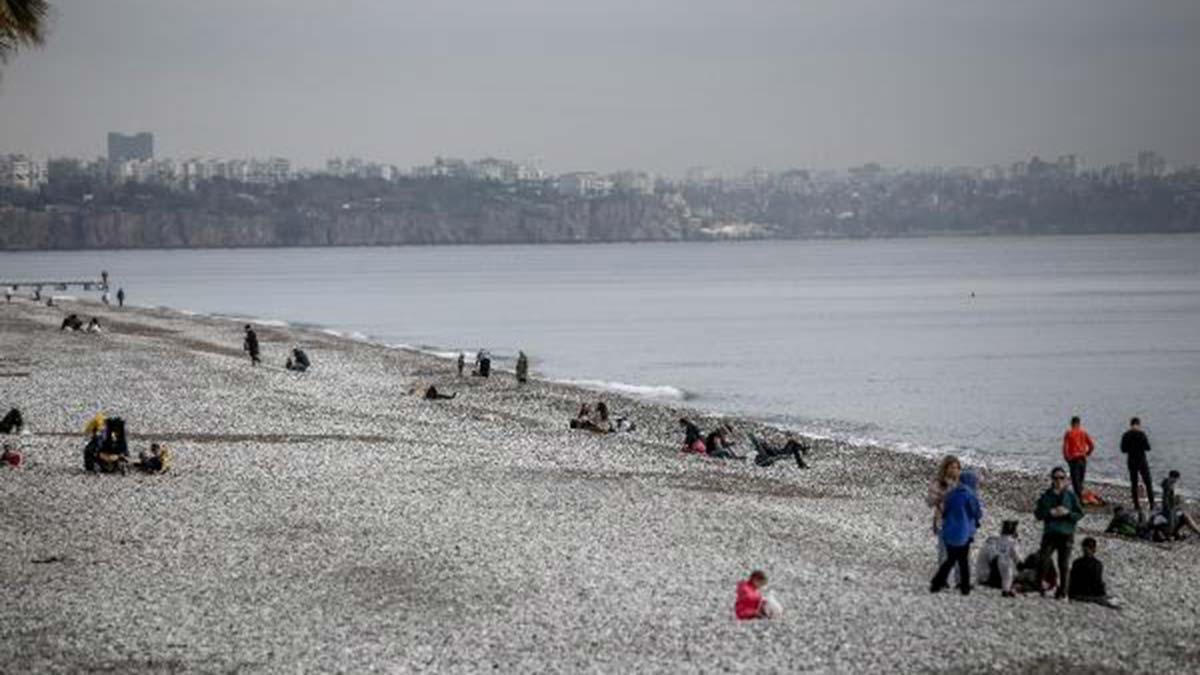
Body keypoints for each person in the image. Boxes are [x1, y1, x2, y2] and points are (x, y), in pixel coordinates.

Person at [1034, 466, 1084, 599]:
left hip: (1066, 534)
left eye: (1061, 478)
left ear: (1066, 479)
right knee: (1043, 560)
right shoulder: (1046, 496)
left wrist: (1068, 513)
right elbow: (1038, 514)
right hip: (1050, 533)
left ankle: (1063, 592)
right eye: (1056, 478)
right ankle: (1040, 587)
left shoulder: (1071, 496)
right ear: (1052, 479)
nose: (1059, 481)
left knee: (1064, 564)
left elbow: (1080, 514)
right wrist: (1050, 513)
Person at [930, 470, 982, 595]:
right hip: (964, 532)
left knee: (952, 558)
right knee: (961, 560)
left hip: (949, 531)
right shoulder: (970, 495)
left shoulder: (951, 494)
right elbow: (977, 513)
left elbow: (945, 511)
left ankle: (939, 583)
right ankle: (962, 587)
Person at [926, 455, 962, 582]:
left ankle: (959, 580)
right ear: (945, 468)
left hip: (959, 522)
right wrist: (944, 495)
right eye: (952, 467)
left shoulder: (961, 483)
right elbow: (930, 502)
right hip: (943, 521)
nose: (955, 470)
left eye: (957, 468)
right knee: (943, 551)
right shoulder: (938, 483)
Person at [1068, 537, 1120, 609]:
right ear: (1094, 549)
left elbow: (1072, 579)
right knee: (1109, 600)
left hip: (1076, 593)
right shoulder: (1096, 564)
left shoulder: (1077, 562)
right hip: (1086, 594)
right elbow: (1097, 582)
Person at [975, 520, 1022, 597]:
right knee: (1009, 575)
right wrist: (1019, 564)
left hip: (982, 576)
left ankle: (1007, 588)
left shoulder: (997, 541)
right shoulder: (1010, 542)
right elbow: (1013, 556)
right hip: (989, 577)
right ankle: (1006, 590)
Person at [1120, 417, 1154, 514]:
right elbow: (1148, 448)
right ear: (1138, 424)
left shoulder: (1126, 435)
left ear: (1130, 425)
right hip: (1141, 460)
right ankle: (1152, 504)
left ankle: (1136, 505)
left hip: (1131, 461)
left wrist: (1130, 448)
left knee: (1134, 483)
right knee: (1148, 482)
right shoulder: (1141, 434)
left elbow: (1123, 450)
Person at [1158, 470, 1200, 539]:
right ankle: (1197, 532)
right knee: (1185, 516)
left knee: (1184, 515)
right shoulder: (1168, 487)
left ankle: (1197, 532)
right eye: (1176, 479)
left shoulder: (1168, 486)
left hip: (1170, 512)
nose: (1176, 481)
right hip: (1169, 515)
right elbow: (1167, 505)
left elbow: (1170, 503)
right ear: (1172, 478)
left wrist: (1176, 504)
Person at [1062, 416, 1095, 498]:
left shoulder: (1069, 433)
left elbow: (1065, 447)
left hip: (1074, 459)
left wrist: (1067, 458)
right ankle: (1081, 497)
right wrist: (1087, 453)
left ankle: (1079, 498)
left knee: (1075, 481)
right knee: (1080, 480)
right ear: (1079, 423)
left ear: (1071, 423)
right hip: (1082, 459)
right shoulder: (1083, 433)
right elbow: (1091, 446)